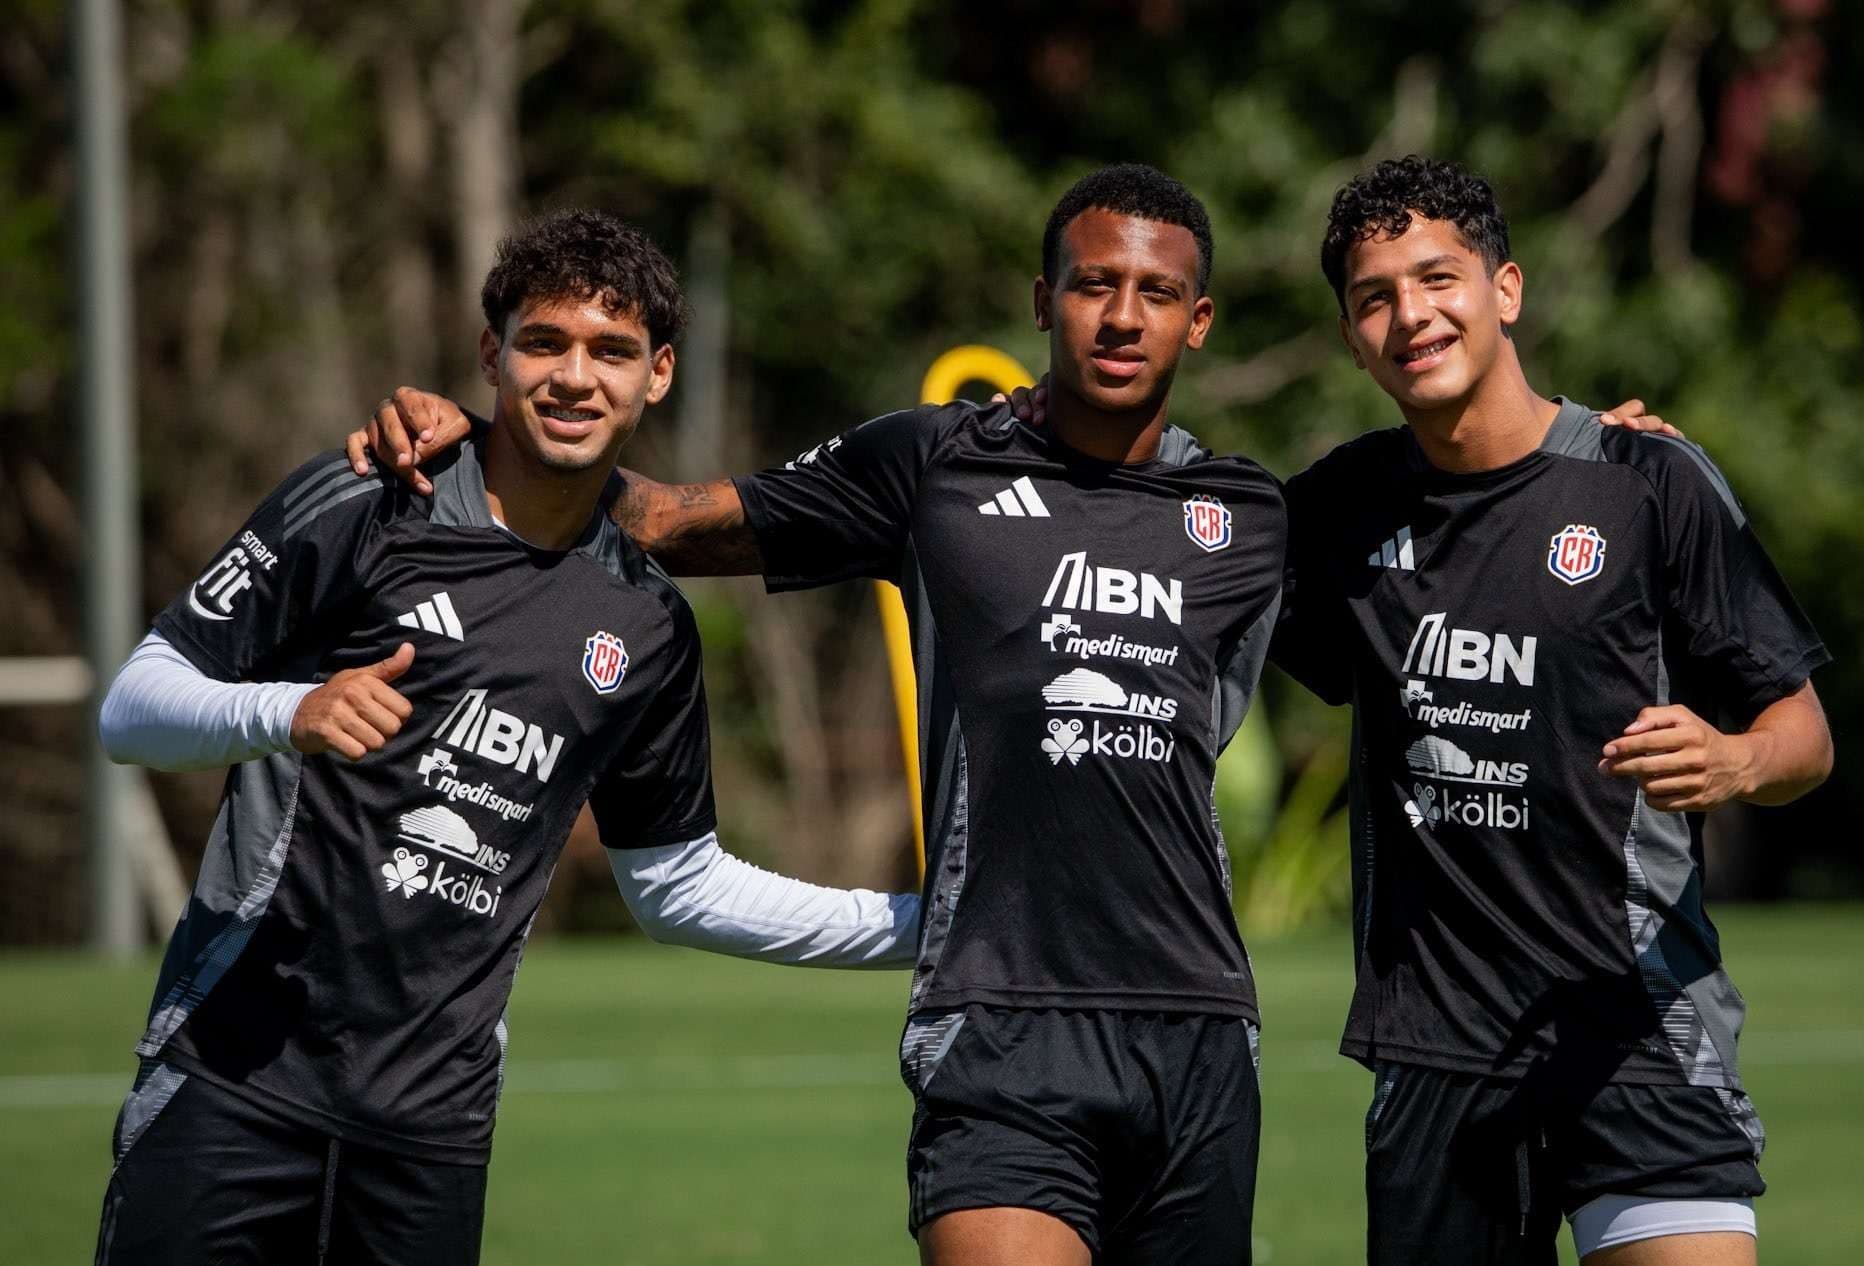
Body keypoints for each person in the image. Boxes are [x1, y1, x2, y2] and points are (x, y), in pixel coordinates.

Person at [350, 164, 1288, 1266]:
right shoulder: (933, 461)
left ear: (1200, 319)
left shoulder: (1251, 514)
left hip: (1196, 1024)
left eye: (1156, 293)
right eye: (1091, 285)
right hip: (996, 1018)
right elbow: (662, 520)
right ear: (1042, 302)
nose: (1122, 317)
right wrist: (483, 432)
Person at [94, 209, 919, 1266]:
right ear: (492, 353)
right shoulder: (367, 498)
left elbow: (678, 887)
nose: (575, 378)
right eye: (545, 343)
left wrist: (925, 922)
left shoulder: (649, 626)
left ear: (657, 375)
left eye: (612, 352)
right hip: (230, 1087)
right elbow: (133, 705)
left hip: (430, 1139)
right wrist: (287, 713)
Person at [1273, 156, 1834, 1265]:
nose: (1408, 315)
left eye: (1436, 278)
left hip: (1637, 1028)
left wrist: (1732, 762)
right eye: (1371, 298)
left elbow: (1803, 732)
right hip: (1434, 1058)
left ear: (1505, 289)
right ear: (1349, 336)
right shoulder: (1333, 510)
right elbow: (1153, 528)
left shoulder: (1647, 483)